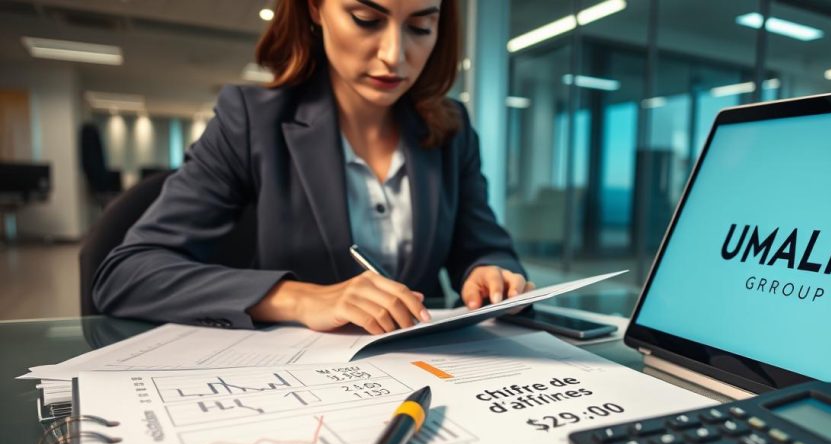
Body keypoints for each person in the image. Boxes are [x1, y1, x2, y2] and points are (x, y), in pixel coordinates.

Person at [92, 0, 531, 334]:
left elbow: (482, 246)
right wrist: (303, 299)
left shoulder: (452, 129)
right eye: (366, 19)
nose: (394, 55)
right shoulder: (250, 121)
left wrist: (489, 274)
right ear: (315, 8)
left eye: (420, 26)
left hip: (431, 379)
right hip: (299, 391)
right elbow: (127, 274)